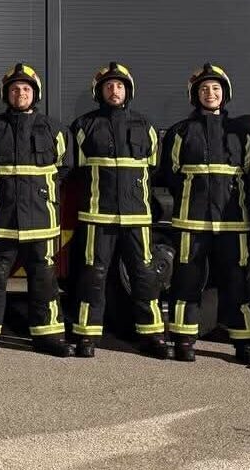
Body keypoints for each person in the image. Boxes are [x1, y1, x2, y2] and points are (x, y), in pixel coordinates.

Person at [0, 63, 74, 358]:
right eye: (14, 89)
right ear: (6, 94)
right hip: (1, 219)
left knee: (44, 278)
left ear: (34, 94)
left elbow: (64, 170)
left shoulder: (56, 130)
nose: (20, 93)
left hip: (41, 219)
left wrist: (40, 194)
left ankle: (49, 336)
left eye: (25, 89)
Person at [159, 63, 250, 364]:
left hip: (233, 221)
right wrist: (194, 196)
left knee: (238, 282)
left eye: (216, 88)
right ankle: (183, 340)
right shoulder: (181, 131)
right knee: (186, 281)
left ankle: (245, 343)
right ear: (195, 95)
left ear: (224, 94)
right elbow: (171, 173)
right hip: (192, 221)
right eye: (204, 89)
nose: (210, 93)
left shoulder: (241, 132)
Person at [68, 62, 170, 358]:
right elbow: (76, 170)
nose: (115, 90)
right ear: (99, 92)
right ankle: (87, 336)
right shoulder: (83, 126)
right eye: (109, 86)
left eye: (120, 85)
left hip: (136, 217)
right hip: (97, 216)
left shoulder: (146, 126)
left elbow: (153, 167)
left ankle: (153, 336)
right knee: (93, 275)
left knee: (144, 274)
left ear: (128, 90)